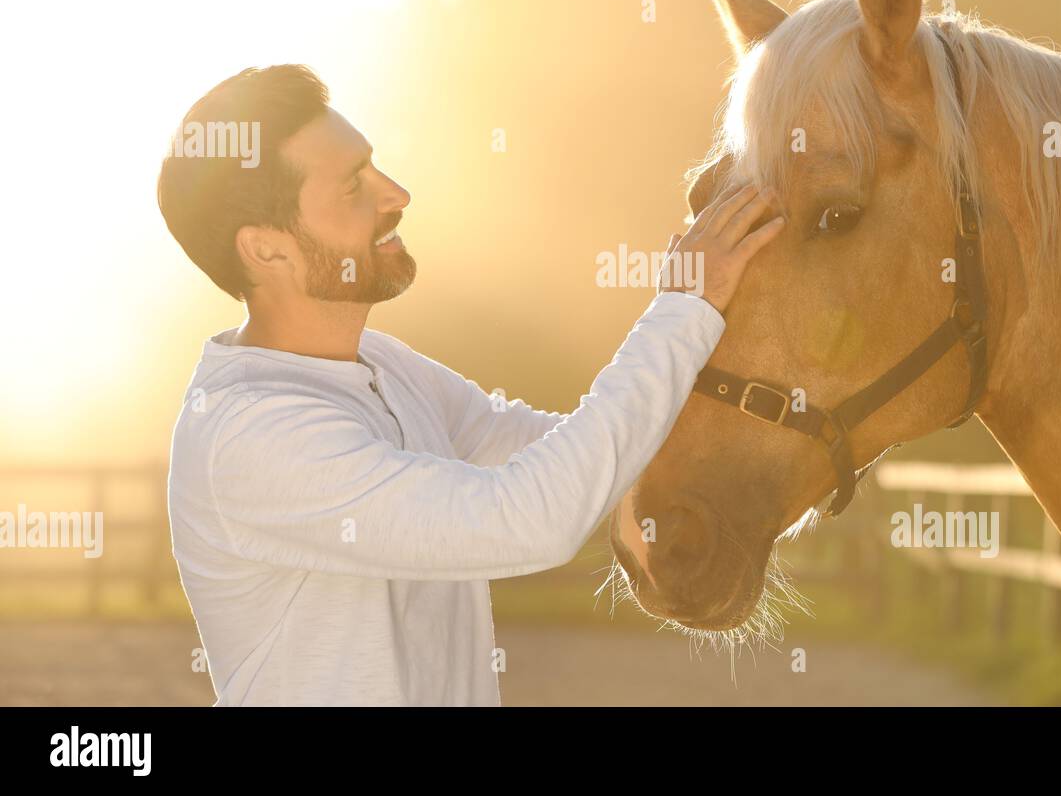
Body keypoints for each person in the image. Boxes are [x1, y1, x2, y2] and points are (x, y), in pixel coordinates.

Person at [156, 64, 784, 705]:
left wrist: (767, 431)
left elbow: (563, 450)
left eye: (374, 166)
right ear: (266, 251)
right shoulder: (251, 435)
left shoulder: (380, 365)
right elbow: (530, 516)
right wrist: (683, 309)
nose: (396, 193)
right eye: (353, 186)